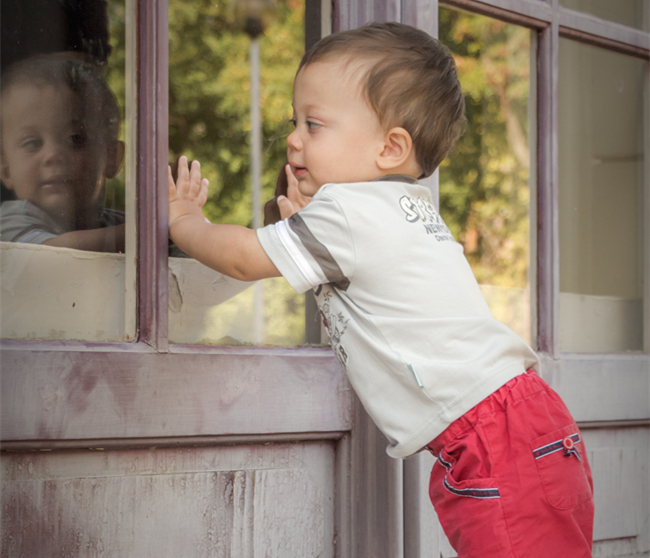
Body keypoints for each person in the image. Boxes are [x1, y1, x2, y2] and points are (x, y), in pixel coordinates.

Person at [167, 22, 594, 557]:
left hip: (491, 438)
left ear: (391, 148)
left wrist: (184, 221)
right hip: (522, 423)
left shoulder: (349, 212)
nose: (294, 138)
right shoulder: (404, 207)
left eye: (314, 125)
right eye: (293, 122)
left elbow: (242, 258)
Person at [0, 54, 125, 252]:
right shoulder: (10, 222)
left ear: (112, 156)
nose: (53, 155)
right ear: (6, 170)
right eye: (32, 143)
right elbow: (50, 254)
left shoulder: (118, 223)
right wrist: (150, 232)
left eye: (75, 139)